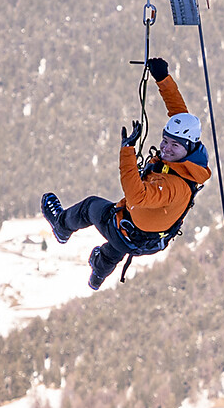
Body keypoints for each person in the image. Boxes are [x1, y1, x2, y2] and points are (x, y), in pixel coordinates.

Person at [42, 57, 212, 290]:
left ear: (188, 147)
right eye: (165, 141)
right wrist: (163, 79)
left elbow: (136, 196)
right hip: (146, 236)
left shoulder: (176, 186)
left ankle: (61, 227)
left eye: (174, 145)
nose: (165, 148)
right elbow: (180, 116)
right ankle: (97, 276)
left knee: (91, 208)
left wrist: (127, 151)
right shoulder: (191, 160)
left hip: (132, 230)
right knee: (113, 248)